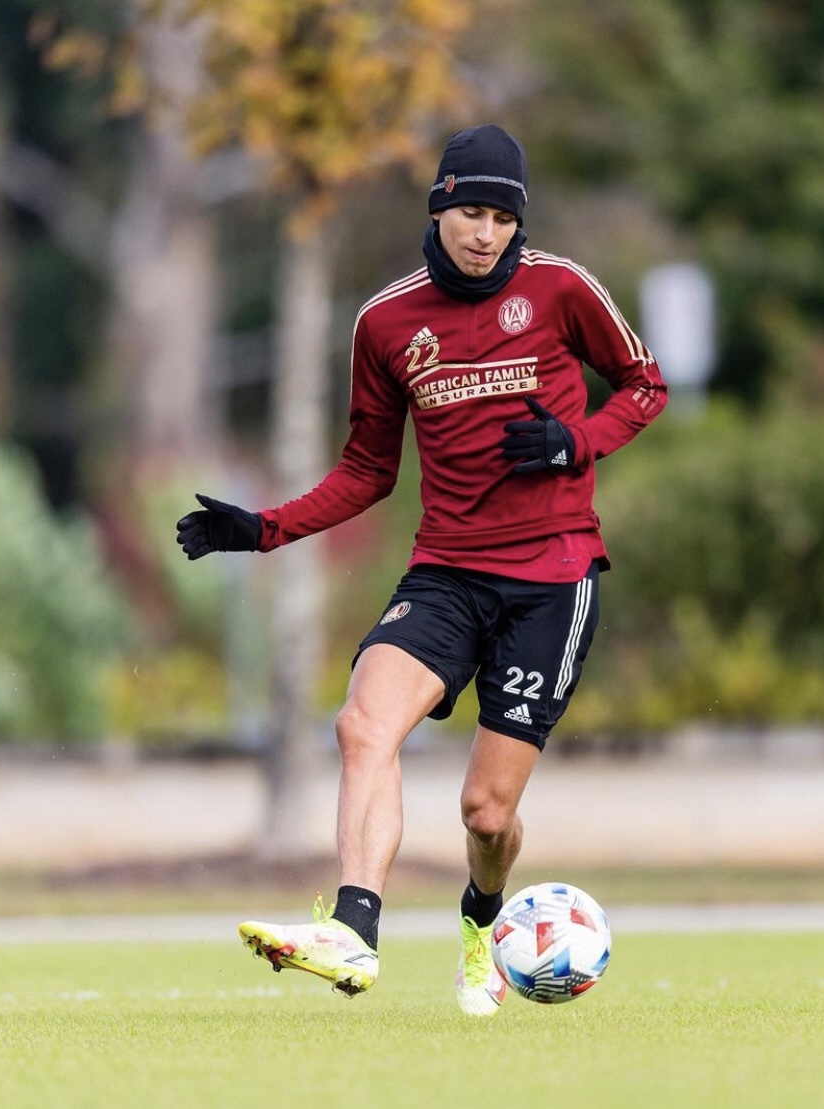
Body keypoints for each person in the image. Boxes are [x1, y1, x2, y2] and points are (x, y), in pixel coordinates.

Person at [175, 124, 667, 1016]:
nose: (486, 234)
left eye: (503, 219)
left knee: (486, 813)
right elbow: (368, 469)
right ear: (439, 207)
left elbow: (644, 384)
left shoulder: (561, 288)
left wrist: (575, 441)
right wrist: (264, 528)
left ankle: (481, 920)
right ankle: (352, 932)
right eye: (472, 213)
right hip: (445, 572)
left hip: (553, 578)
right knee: (362, 725)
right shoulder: (384, 322)